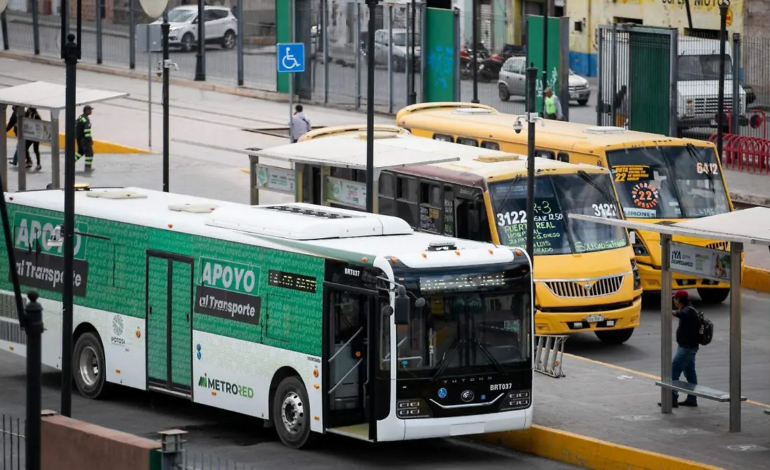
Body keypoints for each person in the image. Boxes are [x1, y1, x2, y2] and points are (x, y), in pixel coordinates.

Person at [660, 290, 701, 408]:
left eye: (675, 298)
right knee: (690, 373)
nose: (674, 300)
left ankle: (672, 399)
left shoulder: (688, 311)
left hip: (686, 349)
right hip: (689, 348)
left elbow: (682, 314)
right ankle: (692, 399)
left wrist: (670, 312)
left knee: (673, 371)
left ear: (678, 300)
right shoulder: (689, 309)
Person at [75, 105, 95, 171]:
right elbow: (87, 131)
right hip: (84, 139)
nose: (91, 111)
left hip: (79, 138)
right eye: (90, 110)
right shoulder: (86, 119)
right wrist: (90, 140)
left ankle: (70, 162)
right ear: (86, 111)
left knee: (80, 151)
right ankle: (88, 168)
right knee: (89, 153)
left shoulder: (80, 117)